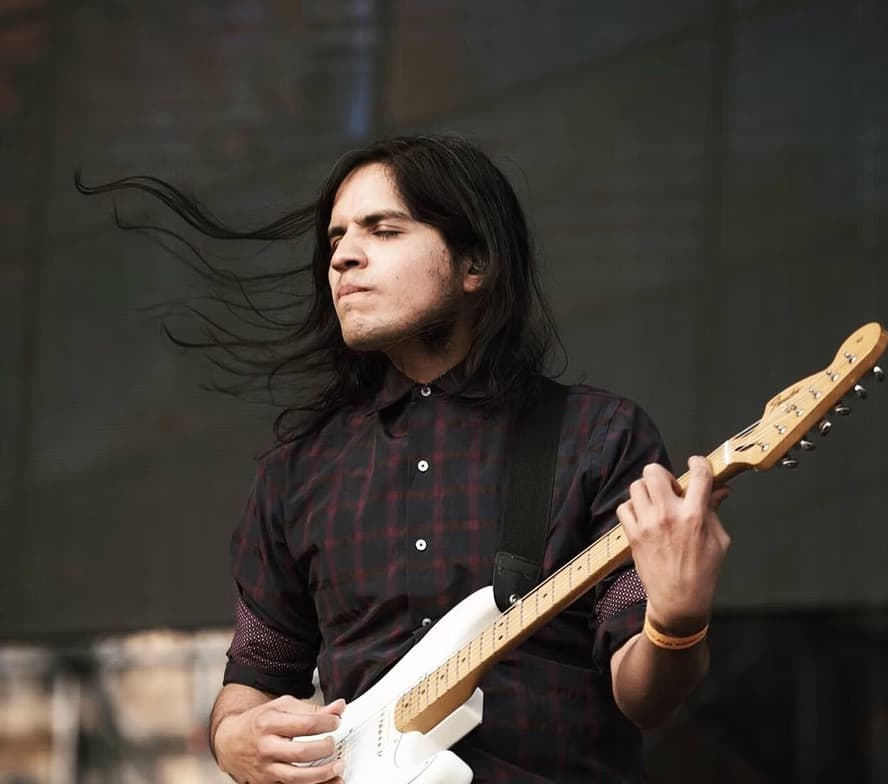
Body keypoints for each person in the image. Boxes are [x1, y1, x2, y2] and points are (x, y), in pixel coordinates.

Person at [79, 134, 730, 783]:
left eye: (383, 230)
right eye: (336, 238)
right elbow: (256, 673)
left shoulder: (595, 437)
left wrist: (676, 621)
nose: (343, 257)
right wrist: (232, 738)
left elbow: (645, 695)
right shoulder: (297, 472)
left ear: (474, 264)